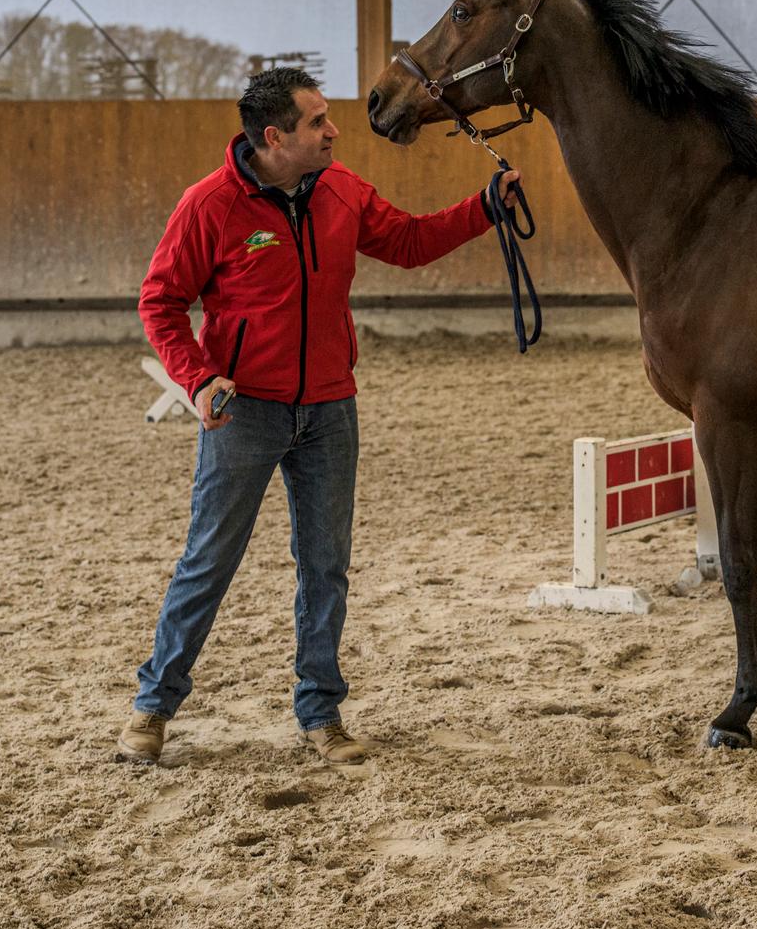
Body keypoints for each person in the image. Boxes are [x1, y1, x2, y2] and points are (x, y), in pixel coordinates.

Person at [118, 66, 517, 766]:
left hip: (331, 407)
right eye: (317, 121)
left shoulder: (342, 189)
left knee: (326, 565)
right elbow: (160, 301)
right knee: (209, 560)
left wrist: (485, 206)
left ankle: (320, 711)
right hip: (245, 414)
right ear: (275, 137)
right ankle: (154, 705)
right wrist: (198, 377)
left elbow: (410, 242)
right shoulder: (209, 205)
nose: (334, 129)